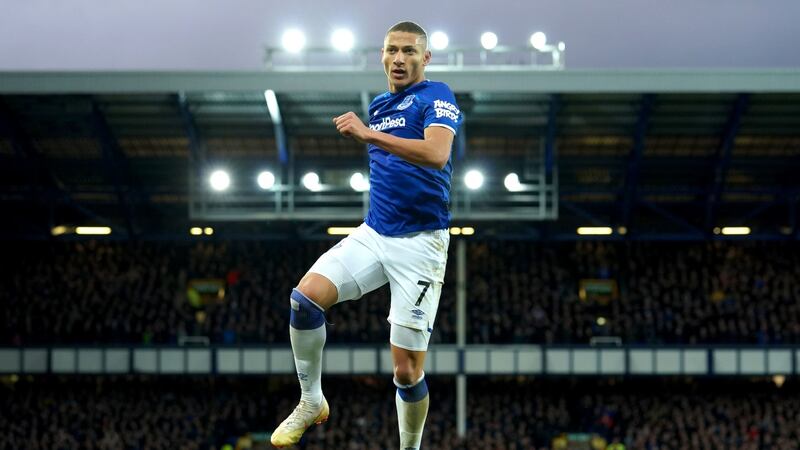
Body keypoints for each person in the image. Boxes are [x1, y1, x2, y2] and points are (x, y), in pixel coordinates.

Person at [270, 20, 462, 450]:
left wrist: (369, 133)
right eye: (392, 50)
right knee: (304, 299)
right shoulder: (378, 105)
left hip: (421, 244)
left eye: (409, 51)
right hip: (376, 232)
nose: (399, 58)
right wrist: (372, 129)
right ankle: (310, 399)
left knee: (406, 373)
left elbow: (436, 153)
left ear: (425, 58)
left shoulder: (438, 96)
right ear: (381, 54)